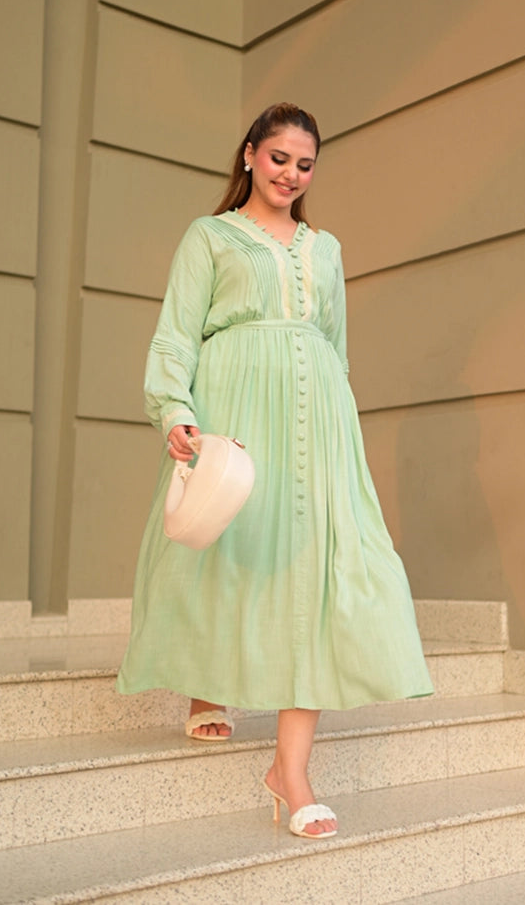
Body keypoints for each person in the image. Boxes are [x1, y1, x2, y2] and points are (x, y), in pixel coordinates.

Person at [117, 102, 433, 839]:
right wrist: (175, 412)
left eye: (306, 163)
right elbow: (176, 334)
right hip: (236, 408)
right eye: (281, 157)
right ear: (252, 155)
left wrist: (341, 433)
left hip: (318, 422)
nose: (292, 173)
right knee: (227, 550)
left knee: (317, 574)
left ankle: (289, 771)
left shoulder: (326, 250)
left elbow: (336, 345)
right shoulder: (211, 236)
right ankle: (205, 687)